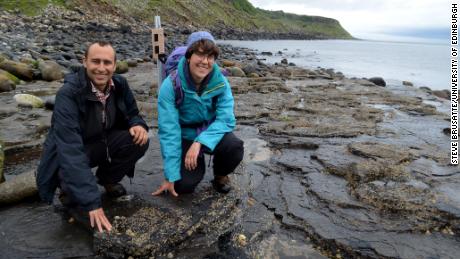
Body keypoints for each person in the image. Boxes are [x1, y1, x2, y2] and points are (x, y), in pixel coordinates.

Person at [36, 41, 149, 232]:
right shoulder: (68, 94)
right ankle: (68, 192)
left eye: (107, 63)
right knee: (69, 179)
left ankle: (107, 179)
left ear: (114, 65)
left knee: (139, 140)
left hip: (102, 141)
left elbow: (132, 113)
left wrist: (137, 124)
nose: (101, 68)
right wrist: (92, 201)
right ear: (85, 62)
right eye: (96, 61)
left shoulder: (120, 84)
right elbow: (70, 150)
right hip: (74, 149)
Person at [153, 31, 244, 197]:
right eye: (200, 54)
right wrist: (170, 176)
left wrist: (200, 142)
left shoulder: (221, 82)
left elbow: (226, 120)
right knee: (182, 187)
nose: (205, 61)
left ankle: (220, 175)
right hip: (185, 134)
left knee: (234, 146)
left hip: (210, 131)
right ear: (189, 56)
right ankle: (192, 163)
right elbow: (169, 131)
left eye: (210, 56)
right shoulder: (171, 85)